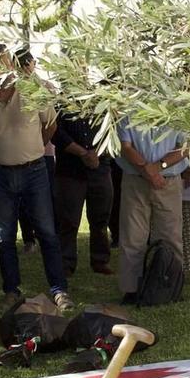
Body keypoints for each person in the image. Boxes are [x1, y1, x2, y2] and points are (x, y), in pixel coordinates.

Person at [0, 55, 69, 313]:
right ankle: (11, 291)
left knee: (46, 231)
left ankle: (59, 290)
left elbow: (51, 124)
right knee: (5, 236)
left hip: (34, 170)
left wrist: (34, 147)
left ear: (11, 65)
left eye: (5, 64)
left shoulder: (32, 90)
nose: (1, 70)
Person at [114, 117, 187, 304]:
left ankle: (171, 287)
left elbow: (184, 147)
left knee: (171, 236)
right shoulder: (127, 110)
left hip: (168, 180)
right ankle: (131, 290)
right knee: (132, 236)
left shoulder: (177, 110)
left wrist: (156, 167)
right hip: (135, 180)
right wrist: (147, 171)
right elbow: (126, 147)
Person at [51, 108, 113, 277]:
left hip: (100, 167)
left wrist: (96, 154)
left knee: (100, 217)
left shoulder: (103, 99)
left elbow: (112, 130)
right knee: (68, 219)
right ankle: (66, 263)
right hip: (70, 170)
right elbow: (56, 133)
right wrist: (83, 153)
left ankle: (100, 260)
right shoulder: (62, 104)